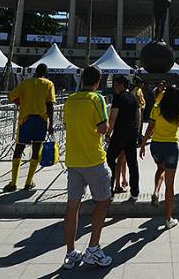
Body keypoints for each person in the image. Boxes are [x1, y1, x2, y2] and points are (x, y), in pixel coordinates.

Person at [62, 66, 113, 270]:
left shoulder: (70, 100)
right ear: (97, 82)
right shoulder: (96, 99)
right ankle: (93, 248)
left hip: (73, 159)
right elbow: (102, 129)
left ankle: (70, 252)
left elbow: (68, 125)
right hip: (92, 158)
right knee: (103, 200)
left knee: (72, 205)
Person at [4, 64, 55, 192]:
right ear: (45, 72)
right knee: (36, 150)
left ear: (35, 71)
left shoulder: (26, 83)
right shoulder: (48, 84)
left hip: (25, 119)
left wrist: (21, 103)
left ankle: (14, 182)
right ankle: (28, 182)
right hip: (41, 120)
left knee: (19, 149)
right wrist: (51, 124)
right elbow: (50, 106)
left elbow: (11, 96)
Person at [140, 85, 179, 229]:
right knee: (170, 185)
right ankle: (168, 219)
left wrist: (143, 144)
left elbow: (150, 127)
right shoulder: (178, 112)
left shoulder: (157, 108)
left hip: (156, 145)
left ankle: (155, 191)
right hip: (171, 146)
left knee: (160, 169)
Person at [106, 75, 140, 200]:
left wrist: (108, 133)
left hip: (120, 132)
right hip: (132, 132)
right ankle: (135, 191)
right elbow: (138, 116)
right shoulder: (133, 97)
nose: (114, 88)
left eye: (115, 85)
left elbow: (113, 117)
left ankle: (110, 189)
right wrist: (137, 130)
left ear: (121, 85)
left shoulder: (118, 98)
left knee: (110, 158)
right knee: (132, 162)